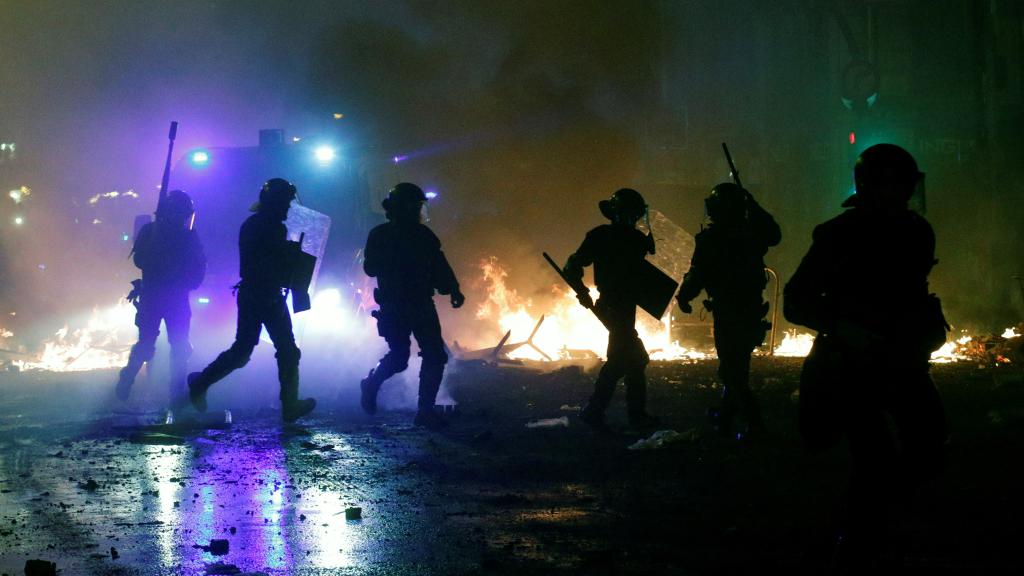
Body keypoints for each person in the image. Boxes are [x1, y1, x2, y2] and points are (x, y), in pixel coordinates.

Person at [784, 143, 947, 568]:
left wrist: (926, 330)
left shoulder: (916, 231)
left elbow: (913, 292)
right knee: (873, 458)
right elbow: (796, 300)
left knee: (929, 443)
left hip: (901, 360)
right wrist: (843, 328)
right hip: (851, 367)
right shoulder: (838, 234)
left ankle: (880, 524)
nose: (904, 193)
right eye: (895, 184)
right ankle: (856, 544)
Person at [187, 178, 316, 423]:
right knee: (265, 350)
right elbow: (266, 262)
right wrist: (291, 255)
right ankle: (289, 405)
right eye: (285, 202)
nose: (289, 207)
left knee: (256, 351)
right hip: (261, 294)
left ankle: (201, 383)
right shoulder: (267, 227)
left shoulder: (259, 224)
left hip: (259, 293)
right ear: (275, 202)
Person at [676, 183, 781, 439]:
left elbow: (698, 272)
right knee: (737, 368)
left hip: (728, 312)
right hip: (751, 311)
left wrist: (685, 296)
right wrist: (752, 204)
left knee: (731, 372)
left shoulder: (711, 239)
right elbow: (774, 234)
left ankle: (754, 424)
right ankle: (724, 417)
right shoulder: (752, 234)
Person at [359, 183, 465, 430]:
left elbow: (439, 264)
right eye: (415, 206)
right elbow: (370, 268)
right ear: (402, 208)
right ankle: (372, 383)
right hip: (394, 303)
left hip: (420, 302)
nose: (419, 211)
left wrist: (454, 288)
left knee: (435, 354)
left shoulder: (424, 236)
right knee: (399, 358)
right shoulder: (380, 235)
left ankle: (425, 410)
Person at [566, 188, 659, 431]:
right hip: (612, 305)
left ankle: (599, 412)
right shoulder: (601, 236)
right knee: (633, 358)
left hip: (624, 305)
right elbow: (572, 266)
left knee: (624, 359)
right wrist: (582, 292)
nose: (634, 218)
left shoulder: (632, 239)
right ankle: (616, 413)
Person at [116, 190, 206, 406]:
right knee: (147, 344)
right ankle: (127, 378)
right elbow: (139, 260)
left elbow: (198, 266)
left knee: (179, 346)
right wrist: (156, 251)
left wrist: (187, 281)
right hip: (154, 295)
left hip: (174, 297)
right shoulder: (151, 232)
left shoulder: (186, 236)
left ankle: (176, 392)